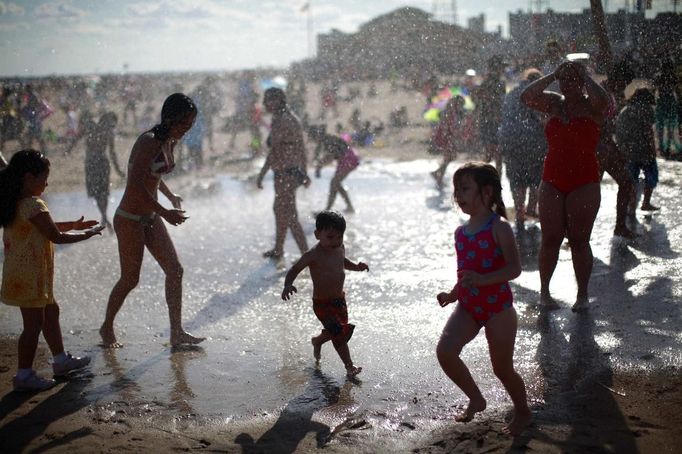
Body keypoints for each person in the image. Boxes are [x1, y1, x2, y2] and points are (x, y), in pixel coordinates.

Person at [99, 93, 204, 348]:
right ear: (169, 118)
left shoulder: (170, 141)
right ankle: (106, 327)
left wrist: (170, 196)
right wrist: (165, 212)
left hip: (150, 215)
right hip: (130, 218)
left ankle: (176, 333)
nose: (186, 129)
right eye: (183, 123)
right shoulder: (148, 141)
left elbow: (155, 176)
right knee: (130, 279)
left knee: (175, 270)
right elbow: (135, 185)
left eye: (190, 124)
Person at [435, 162, 530, 436]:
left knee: (502, 368)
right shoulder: (460, 233)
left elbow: (514, 269)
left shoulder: (498, 227)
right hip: (468, 306)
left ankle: (523, 411)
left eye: (465, 189)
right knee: (445, 351)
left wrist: (483, 280)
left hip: (498, 308)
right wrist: (452, 295)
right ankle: (476, 398)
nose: (459, 195)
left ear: (486, 193)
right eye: (457, 190)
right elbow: (466, 274)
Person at [0, 150, 104, 391]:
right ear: (28, 178)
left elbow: (44, 227)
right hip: (29, 276)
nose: (47, 183)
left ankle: (61, 361)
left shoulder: (17, 201)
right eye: (44, 178)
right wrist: (86, 234)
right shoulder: (33, 204)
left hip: (27, 274)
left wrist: (74, 225)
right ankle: (23, 375)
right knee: (33, 325)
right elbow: (55, 236)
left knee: (51, 311)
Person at [521, 60, 609, 311]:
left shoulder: (592, 106)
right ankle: (545, 293)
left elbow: (604, 101)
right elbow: (526, 96)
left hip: (585, 180)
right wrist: (552, 74)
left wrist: (585, 75)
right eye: (565, 80)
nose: (568, 84)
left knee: (580, 240)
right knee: (550, 238)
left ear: (581, 82)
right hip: (552, 179)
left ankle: (582, 295)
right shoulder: (553, 104)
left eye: (574, 80)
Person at [281, 210, 367, 377]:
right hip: (322, 304)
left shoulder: (340, 247)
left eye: (339, 237)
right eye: (330, 237)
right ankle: (349, 367)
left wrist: (356, 267)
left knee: (338, 331)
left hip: (339, 301)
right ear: (317, 234)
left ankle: (317, 341)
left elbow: (343, 262)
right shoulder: (313, 255)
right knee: (338, 334)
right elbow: (294, 269)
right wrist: (288, 284)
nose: (335, 241)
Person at [256, 88, 310, 260]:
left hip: (286, 173)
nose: (267, 104)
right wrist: (304, 172)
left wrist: (261, 174)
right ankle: (279, 250)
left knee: (289, 215)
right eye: (266, 100)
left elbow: (274, 151)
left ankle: (307, 257)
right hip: (289, 172)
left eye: (270, 100)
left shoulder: (283, 120)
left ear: (280, 100)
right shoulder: (288, 117)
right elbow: (301, 148)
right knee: (280, 210)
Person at [497, 69, 547, 231]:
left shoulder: (513, 93)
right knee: (535, 177)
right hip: (534, 143)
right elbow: (542, 119)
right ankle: (531, 208)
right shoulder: (538, 95)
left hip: (511, 141)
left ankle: (519, 215)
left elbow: (504, 115)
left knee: (517, 178)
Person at [615, 88, 660, 212]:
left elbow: (619, 131)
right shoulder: (647, 110)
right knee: (651, 176)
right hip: (644, 149)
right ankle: (645, 203)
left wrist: (622, 149)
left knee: (632, 179)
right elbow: (648, 131)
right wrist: (653, 150)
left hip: (627, 150)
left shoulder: (625, 110)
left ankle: (631, 205)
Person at [84, 112, 124, 229]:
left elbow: (112, 152)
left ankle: (104, 216)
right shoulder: (105, 131)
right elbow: (112, 153)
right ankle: (104, 217)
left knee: (99, 191)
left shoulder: (92, 128)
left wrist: (69, 148)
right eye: (111, 124)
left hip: (93, 163)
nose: (111, 126)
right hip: (101, 163)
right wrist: (118, 170)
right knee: (102, 191)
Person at [309, 126, 360, 213]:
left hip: (347, 160)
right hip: (348, 158)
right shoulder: (328, 139)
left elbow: (331, 157)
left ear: (317, 136)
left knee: (334, 183)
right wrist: (320, 164)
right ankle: (349, 207)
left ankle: (328, 210)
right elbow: (332, 155)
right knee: (336, 184)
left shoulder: (327, 141)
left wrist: (319, 166)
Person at [472, 56, 506, 172]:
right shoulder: (497, 82)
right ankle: (489, 181)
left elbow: (478, 99)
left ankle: (480, 178)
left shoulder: (486, 81)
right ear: (498, 68)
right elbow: (498, 102)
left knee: (490, 154)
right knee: (496, 155)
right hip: (493, 121)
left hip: (487, 120)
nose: (503, 70)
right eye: (502, 67)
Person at [430, 96, 466, 189]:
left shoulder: (450, 111)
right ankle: (438, 175)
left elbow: (446, 125)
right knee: (450, 156)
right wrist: (453, 136)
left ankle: (438, 175)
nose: (461, 107)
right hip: (446, 137)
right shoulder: (451, 112)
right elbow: (448, 126)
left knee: (449, 157)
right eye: (460, 104)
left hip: (446, 137)